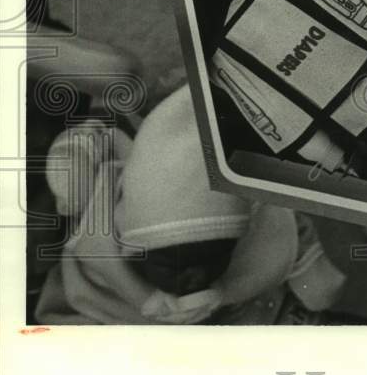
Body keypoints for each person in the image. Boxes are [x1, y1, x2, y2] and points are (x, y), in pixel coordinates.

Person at [35, 85, 346, 325]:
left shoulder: (252, 218)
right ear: (132, 245)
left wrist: (311, 283)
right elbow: (89, 140)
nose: (196, 277)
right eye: (173, 264)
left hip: (242, 307)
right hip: (120, 317)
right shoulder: (100, 241)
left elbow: (287, 234)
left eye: (215, 257)